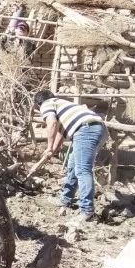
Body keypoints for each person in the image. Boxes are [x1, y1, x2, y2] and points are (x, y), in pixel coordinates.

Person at [34, 89, 107, 222]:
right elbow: (61, 134)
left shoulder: (47, 103)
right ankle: (65, 199)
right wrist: (52, 152)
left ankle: (87, 211)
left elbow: (52, 124)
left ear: (39, 104)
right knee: (73, 166)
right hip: (97, 129)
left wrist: (49, 147)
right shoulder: (64, 107)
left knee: (82, 170)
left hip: (86, 130)